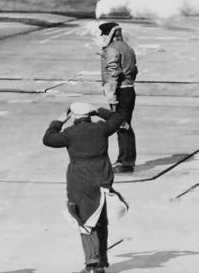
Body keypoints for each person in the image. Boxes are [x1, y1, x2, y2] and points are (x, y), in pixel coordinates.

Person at [43, 101, 125, 273]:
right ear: (89, 115)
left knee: (86, 223)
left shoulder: (70, 133)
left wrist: (58, 122)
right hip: (103, 178)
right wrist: (99, 111)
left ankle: (92, 265)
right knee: (101, 222)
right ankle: (102, 262)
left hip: (80, 182)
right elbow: (117, 118)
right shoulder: (101, 129)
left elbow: (48, 139)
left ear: (73, 116)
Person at [96, 20, 137, 173]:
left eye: (104, 34)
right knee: (125, 125)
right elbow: (135, 69)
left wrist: (111, 96)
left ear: (110, 34)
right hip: (129, 90)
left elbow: (113, 73)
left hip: (119, 91)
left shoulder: (112, 50)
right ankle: (125, 160)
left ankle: (125, 163)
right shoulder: (128, 48)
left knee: (122, 127)